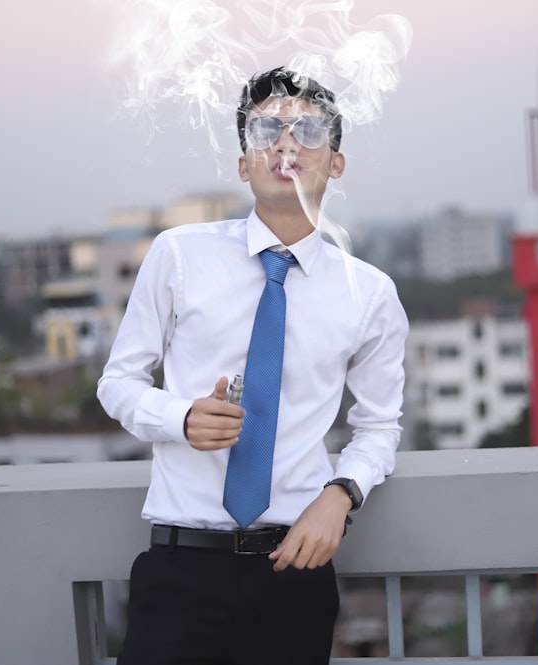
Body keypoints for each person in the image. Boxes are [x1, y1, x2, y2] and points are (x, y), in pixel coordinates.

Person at [97, 66, 409, 665]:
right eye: (267, 129)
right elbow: (118, 383)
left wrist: (341, 495)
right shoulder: (179, 255)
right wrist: (180, 417)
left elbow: (378, 428)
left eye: (309, 131)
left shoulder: (369, 294)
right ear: (244, 163)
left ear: (335, 163)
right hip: (180, 569)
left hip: (295, 568)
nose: (287, 144)